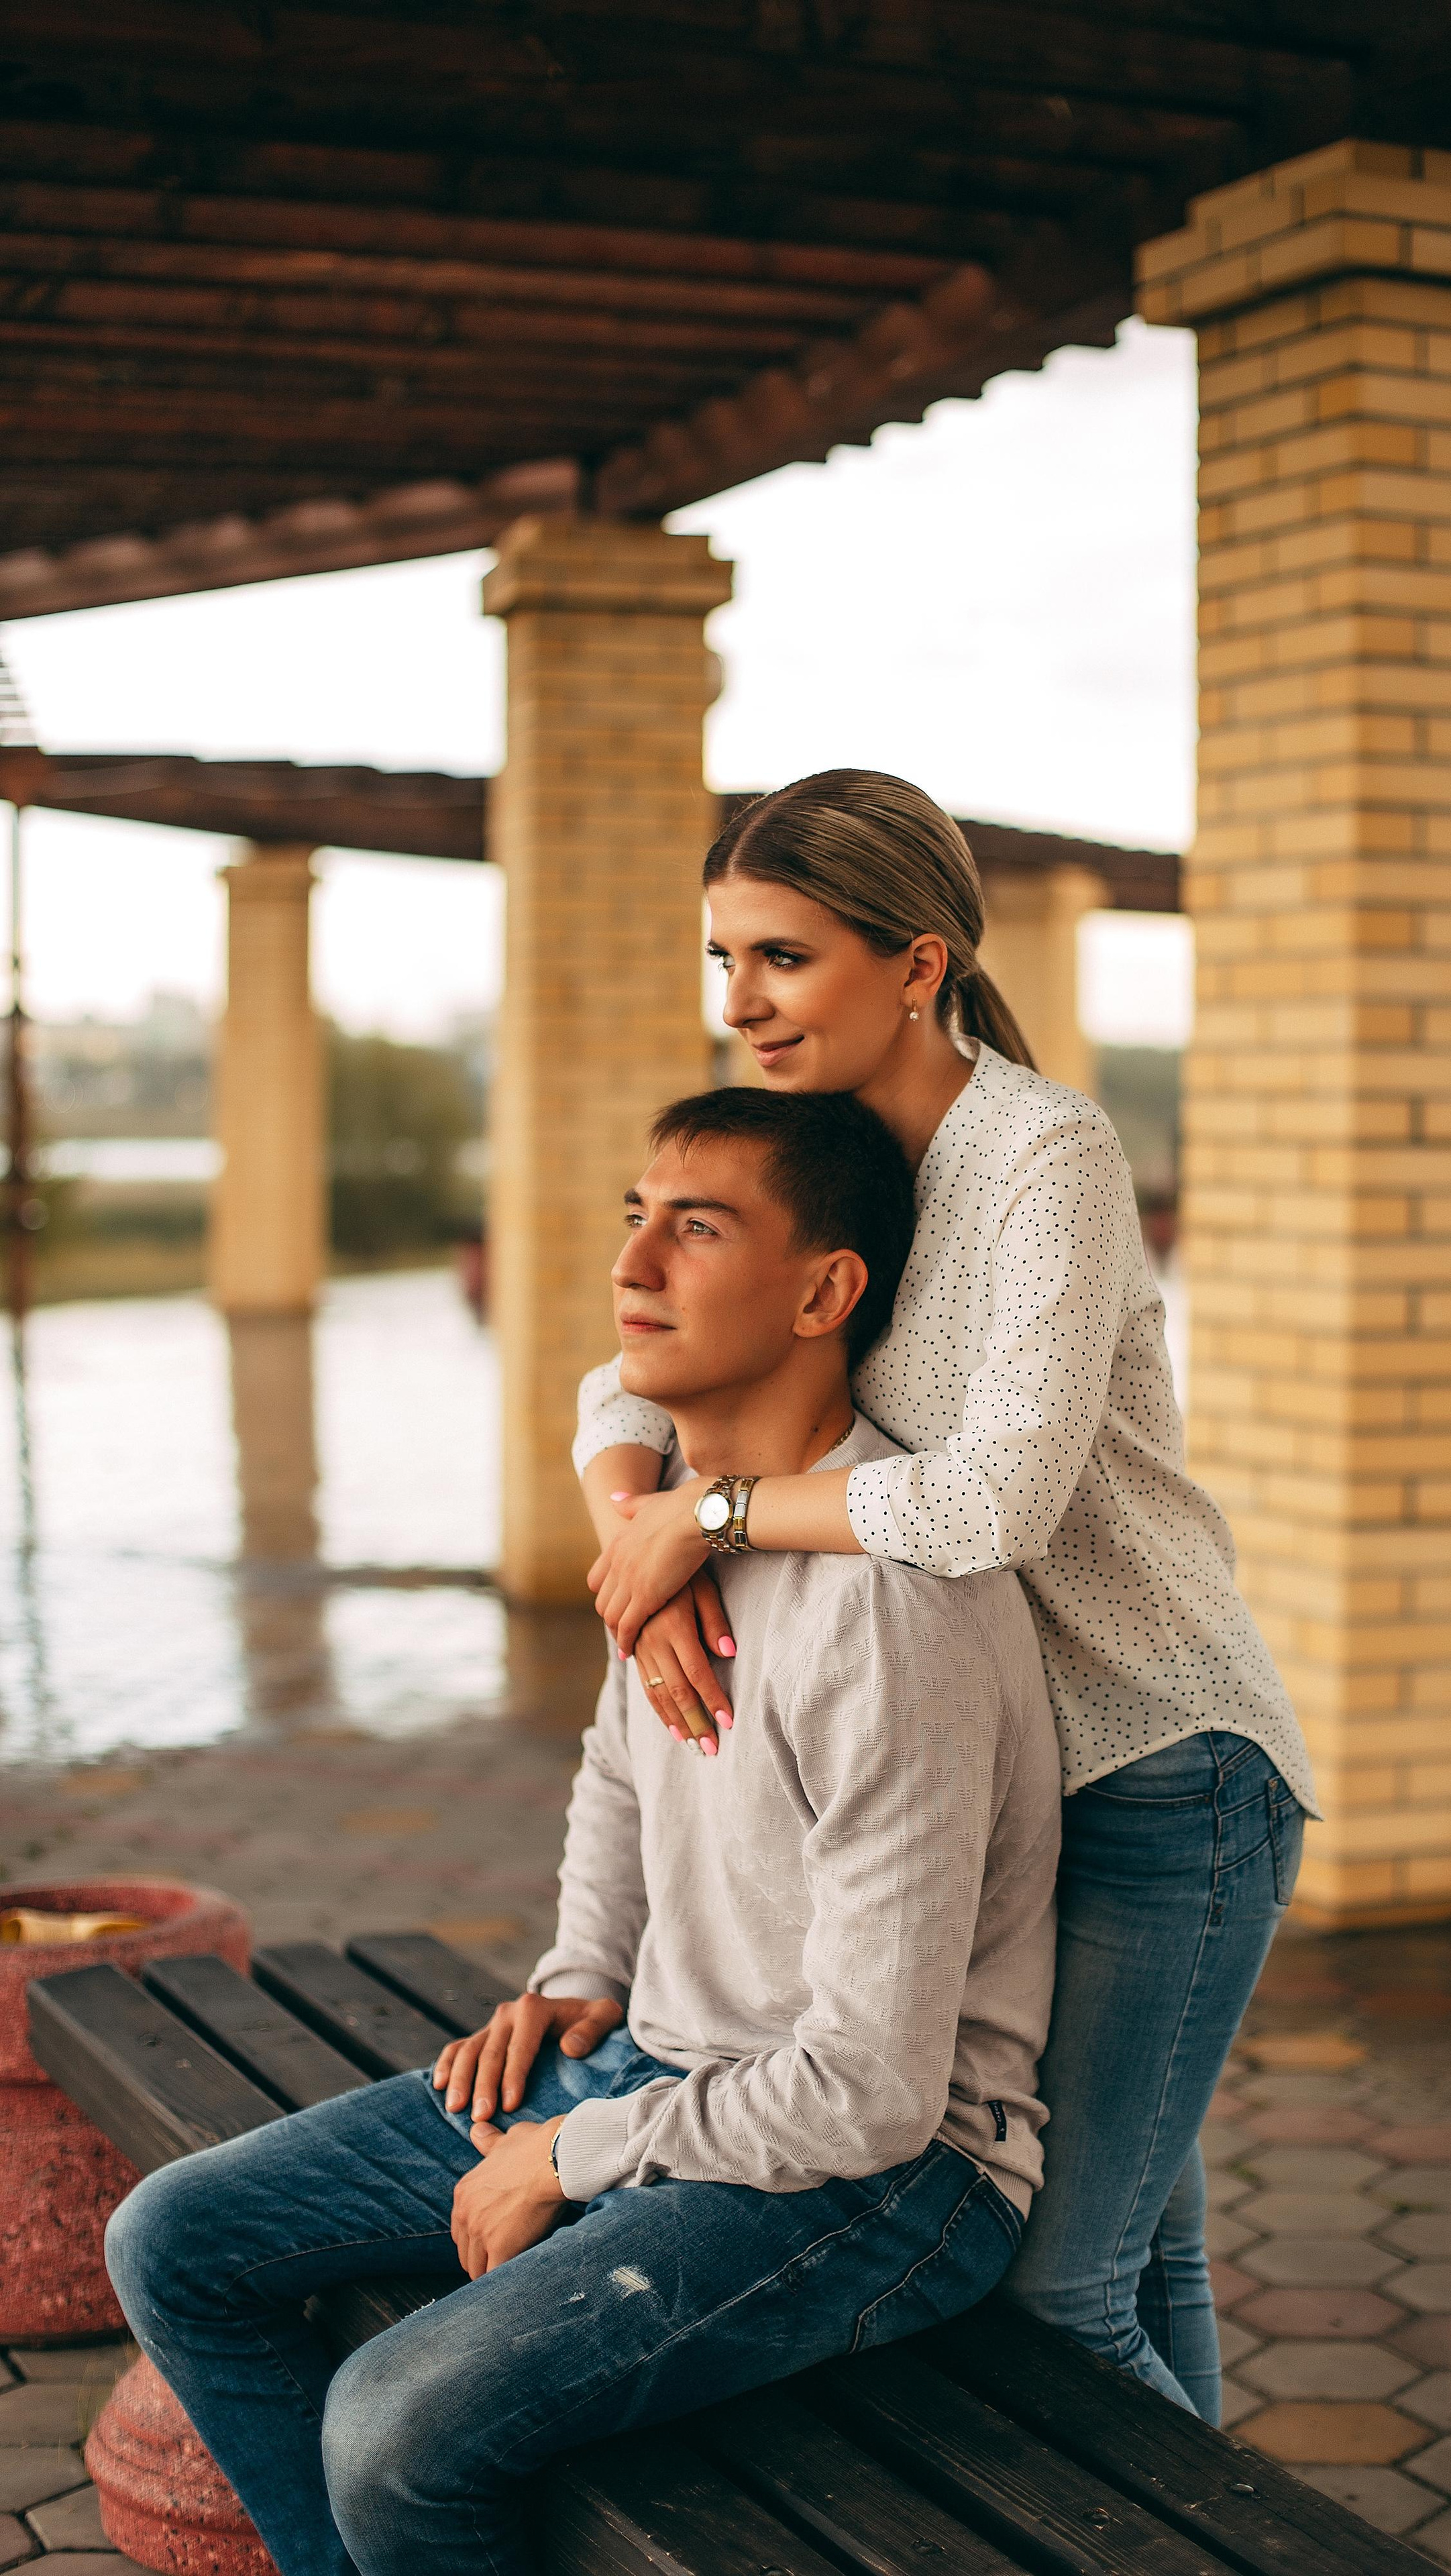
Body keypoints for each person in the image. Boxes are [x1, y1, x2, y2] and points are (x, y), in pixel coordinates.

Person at [105, 1087, 1062, 2576]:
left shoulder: (892, 1608)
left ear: (823, 1290)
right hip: (660, 2066)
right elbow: (623, 1775)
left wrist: (570, 2154)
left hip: (889, 2181)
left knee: (391, 2424)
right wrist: (572, 1973)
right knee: (172, 2239)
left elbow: (869, 2096)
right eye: (635, 1217)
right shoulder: (670, 1527)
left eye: (697, 1228)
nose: (633, 1265)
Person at [580, 769, 1320, 2428]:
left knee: (1065, 2294)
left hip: (1157, 1762)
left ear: (916, 965)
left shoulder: (1037, 1154)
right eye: (724, 959)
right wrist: (637, 1532)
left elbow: (992, 1503)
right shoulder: (837, 1152)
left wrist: (714, 1512)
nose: (740, 1004)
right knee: (1148, 2250)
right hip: (1002, 1778)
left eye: (782, 958)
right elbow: (617, 1377)